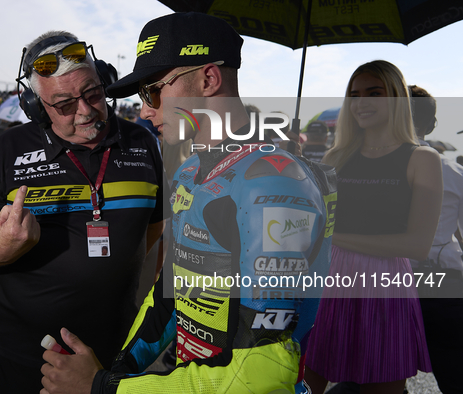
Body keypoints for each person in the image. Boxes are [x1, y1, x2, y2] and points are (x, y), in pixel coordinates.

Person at [40, 12, 336, 394]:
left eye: (153, 90)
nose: (145, 110)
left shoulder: (275, 183)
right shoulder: (190, 171)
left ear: (208, 79)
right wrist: (115, 370)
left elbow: (262, 374)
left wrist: (104, 388)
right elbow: (168, 299)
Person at [0, 31, 166, 393]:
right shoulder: (8, 149)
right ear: (37, 107)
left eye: (93, 94)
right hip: (26, 353)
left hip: (119, 349)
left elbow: (155, 228)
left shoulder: (143, 142)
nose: (85, 111)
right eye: (65, 104)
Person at [304, 61, 442, 394]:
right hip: (325, 281)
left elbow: (417, 245)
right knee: (303, 383)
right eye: (354, 94)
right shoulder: (335, 157)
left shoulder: (423, 158)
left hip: (385, 286)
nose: (360, 102)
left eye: (373, 93)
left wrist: (334, 238)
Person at [408, 85, 463, 394]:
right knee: (455, 375)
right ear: (431, 125)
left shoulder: (368, 170)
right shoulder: (454, 172)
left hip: (387, 284)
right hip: (445, 283)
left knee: (371, 376)